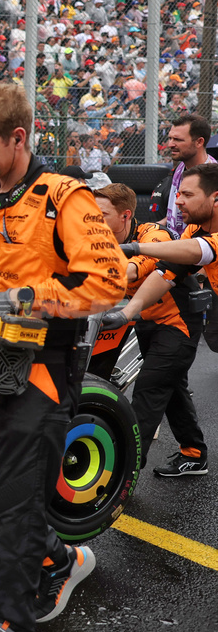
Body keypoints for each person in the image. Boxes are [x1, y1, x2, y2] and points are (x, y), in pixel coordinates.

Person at [0, 84, 125, 632]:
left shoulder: (65, 199)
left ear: (18, 139)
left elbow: (108, 282)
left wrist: (26, 298)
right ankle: (60, 557)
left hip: (45, 368)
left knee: (16, 503)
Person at [92, 183, 207, 477]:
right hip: (146, 319)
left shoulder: (151, 235)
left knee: (149, 388)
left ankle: (122, 470)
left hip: (178, 321)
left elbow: (147, 261)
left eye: (101, 213)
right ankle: (194, 454)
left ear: (125, 215)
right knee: (171, 386)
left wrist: (118, 270)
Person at [153, 115, 215, 237]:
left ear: (199, 142)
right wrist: (153, 226)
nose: (170, 144)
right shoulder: (180, 168)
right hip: (176, 244)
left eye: (178, 140)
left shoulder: (212, 177)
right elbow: (176, 215)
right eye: (170, 138)